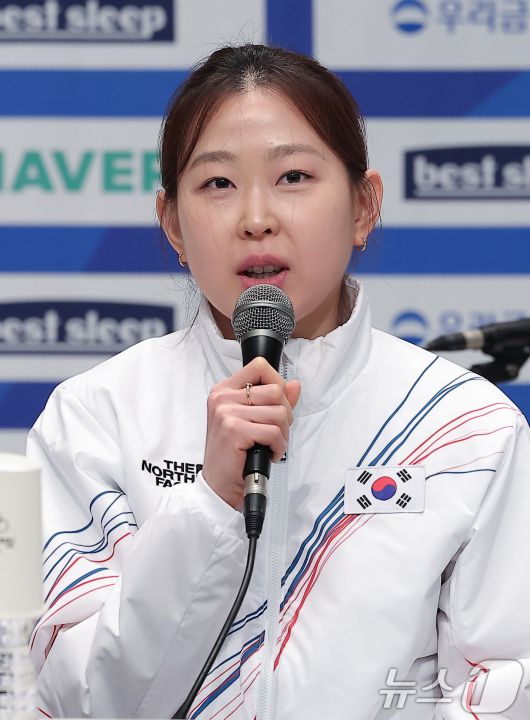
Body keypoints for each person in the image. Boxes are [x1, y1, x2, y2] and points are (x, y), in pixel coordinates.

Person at [27, 44, 530, 720]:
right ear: (172, 224)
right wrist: (209, 504)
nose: (256, 217)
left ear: (363, 206)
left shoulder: (464, 429)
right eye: (217, 184)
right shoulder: (97, 417)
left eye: (293, 176)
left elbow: (500, 690)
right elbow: (77, 699)